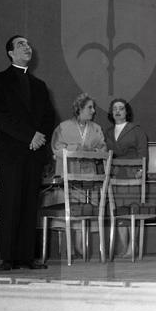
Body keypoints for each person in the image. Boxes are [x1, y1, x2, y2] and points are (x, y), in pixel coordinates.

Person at [0, 35, 55, 271]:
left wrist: (39, 138)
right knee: (10, 204)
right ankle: (8, 258)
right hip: (11, 153)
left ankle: (27, 257)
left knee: (29, 206)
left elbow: (49, 117)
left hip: (34, 154)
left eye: (28, 44)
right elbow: (0, 116)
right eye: (20, 44)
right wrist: (30, 136)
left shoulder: (40, 85)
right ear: (10, 53)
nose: (27, 47)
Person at [50, 93, 107, 255]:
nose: (93, 111)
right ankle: (69, 250)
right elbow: (56, 148)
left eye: (93, 107)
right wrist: (76, 149)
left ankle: (82, 248)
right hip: (68, 175)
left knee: (86, 210)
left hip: (89, 177)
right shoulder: (63, 127)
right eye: (90, 107)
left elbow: (103, 148)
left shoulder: (96, 128)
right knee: (70, 210)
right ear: (79, 108)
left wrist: (92, 152)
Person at [103, 97, 148, 255]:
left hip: (132, 174)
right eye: (114, 108)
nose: (117, 111)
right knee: (119, 212)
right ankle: (124, 246)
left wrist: (140, 171)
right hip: (115, 175)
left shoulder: (136, 130)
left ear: (126, 112)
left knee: (132, 210)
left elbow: (143, 152)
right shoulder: (107, 133)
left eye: (121, 108)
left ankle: (132, 246)